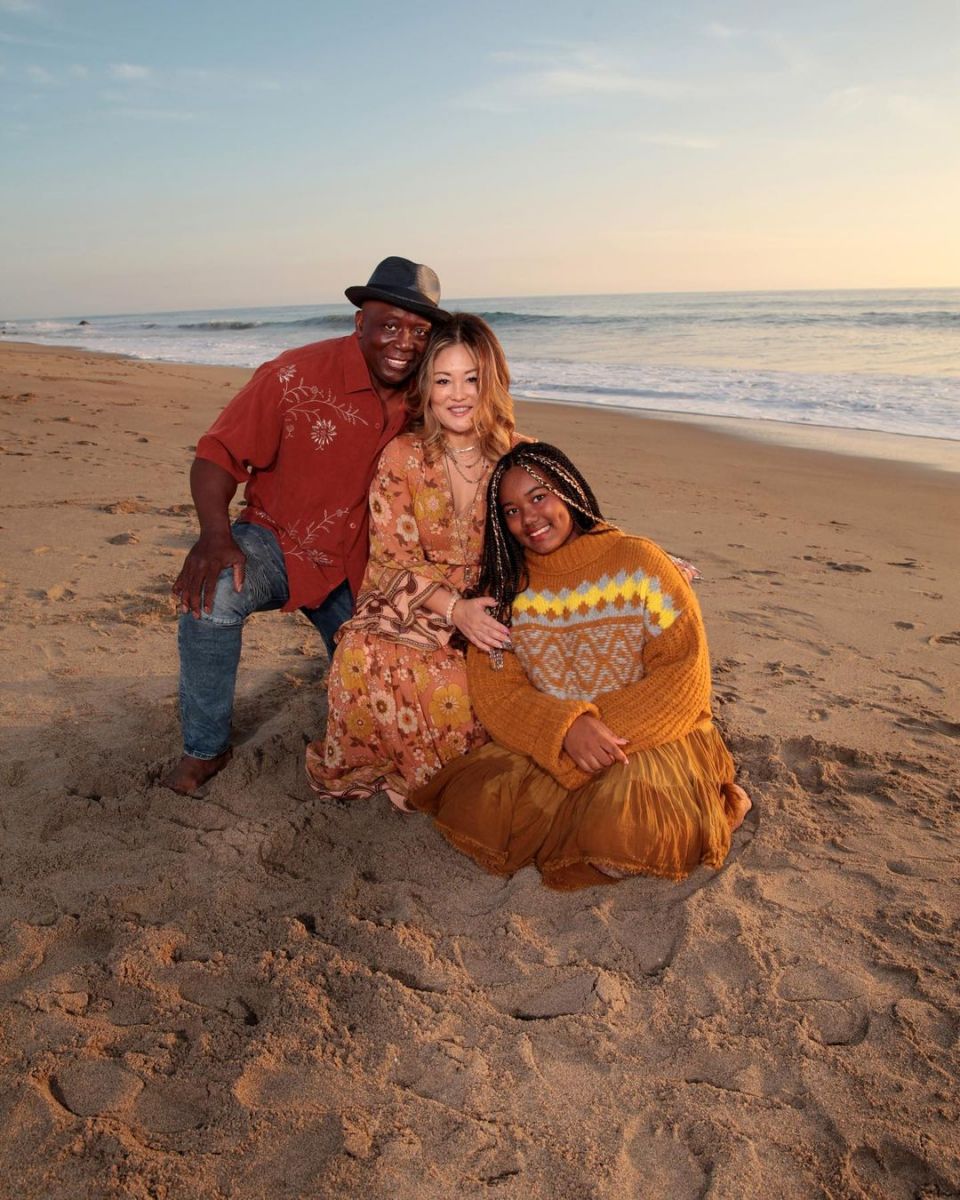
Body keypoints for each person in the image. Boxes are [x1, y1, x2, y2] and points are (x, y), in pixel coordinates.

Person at [164, 257, 449, 795]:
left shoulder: (431, 395)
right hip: (279, 540)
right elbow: (218, 454)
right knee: (213, 597)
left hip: (367, 565)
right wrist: (214, 535)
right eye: (389, 325)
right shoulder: (291, 375)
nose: (404, 342)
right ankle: (205, 749)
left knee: (393, 694)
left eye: (419, 331)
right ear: (359, 323)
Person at [410, 442, 752, 890]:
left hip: (651, 735)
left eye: (539, 497)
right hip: (561, 739)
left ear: (568, 490)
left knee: (625, 839)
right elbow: (499, 692)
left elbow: (684, 673)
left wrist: (598, 729)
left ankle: (728, 807)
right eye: (511, 510)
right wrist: (567, 730)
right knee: (474, 807)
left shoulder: (640, 562)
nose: (529, 519)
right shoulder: (506, 590)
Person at [305, 313, 521, 811]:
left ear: (492, 383)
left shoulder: (519, 456)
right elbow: (391, 558)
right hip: (414, 600)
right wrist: (453, 609)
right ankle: (400, 772)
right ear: (426, 385)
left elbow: (564, 524)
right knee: (359, 653)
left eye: (472, 379)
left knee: (471, 691)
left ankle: (439, 779)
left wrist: (645, 559)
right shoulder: (402, 456)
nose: (459, 394)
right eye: (444, 380)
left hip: (496, 603)